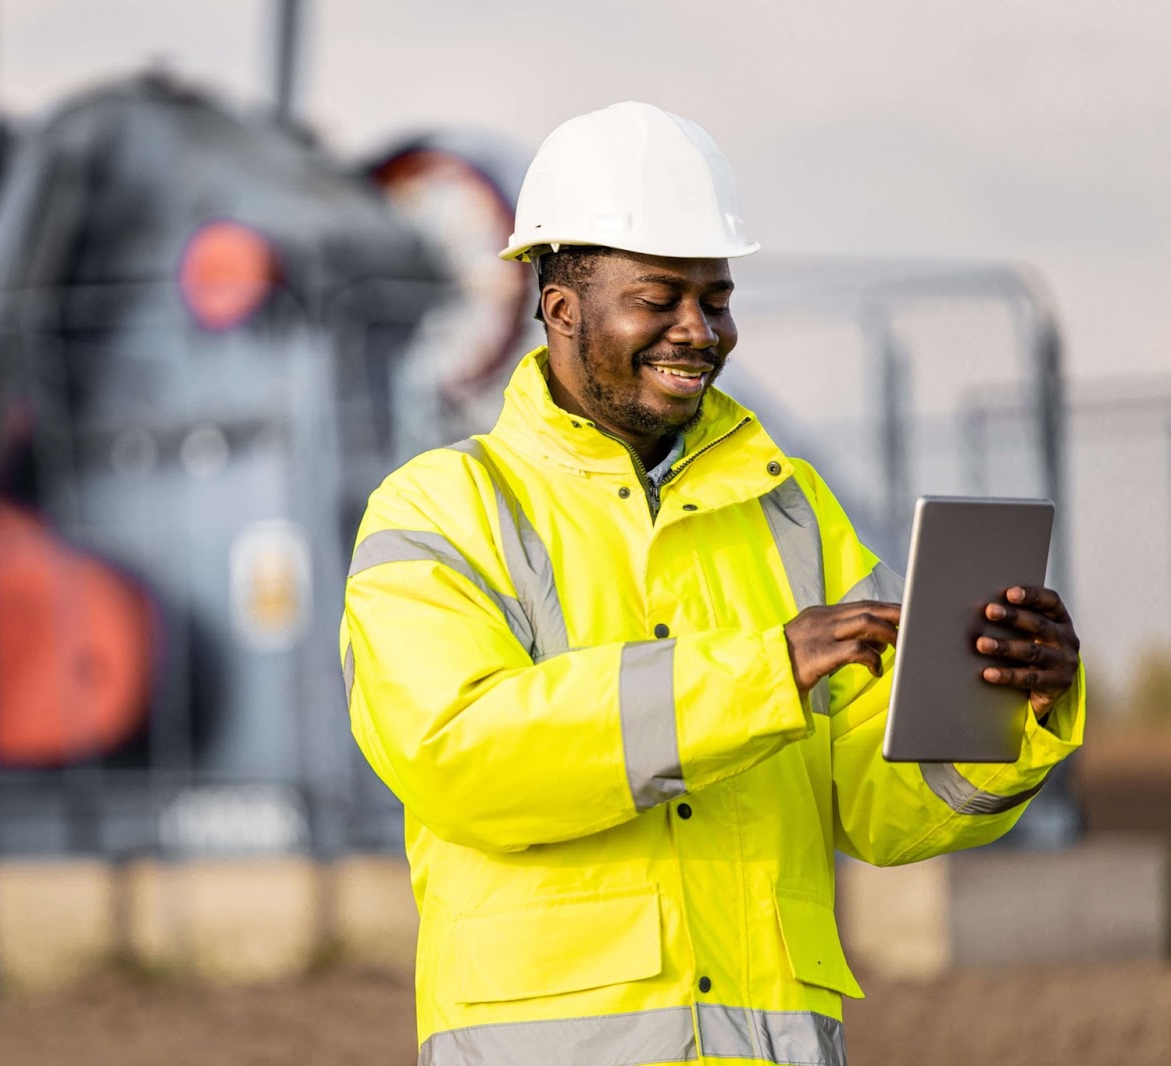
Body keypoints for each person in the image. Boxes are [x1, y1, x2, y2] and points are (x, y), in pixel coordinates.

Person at [339, 102, 1084, 1066]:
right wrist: (764, 672)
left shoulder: (786, 506)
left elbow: (878, 808)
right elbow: (462, 757)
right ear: (559, 306)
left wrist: (1011, 704)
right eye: (659, 297)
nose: (699, 331)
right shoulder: (442, 508)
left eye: (717, 298)